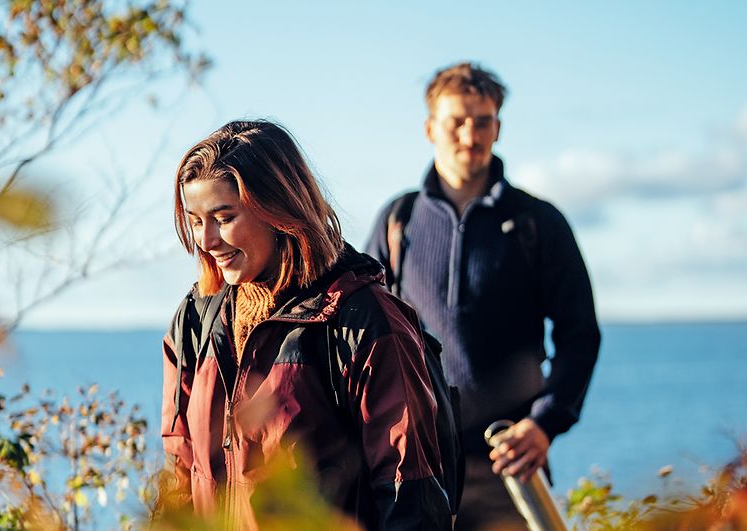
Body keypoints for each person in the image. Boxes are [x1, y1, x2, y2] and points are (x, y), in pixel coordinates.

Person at [161, 120, 452, 530]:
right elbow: (181, 467)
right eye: (194, 221)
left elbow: (411, 497)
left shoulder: (365, 321)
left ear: (278, 211)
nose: (206, 240)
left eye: (224, 217)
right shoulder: (196, 318)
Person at [364, 62, 601, 530]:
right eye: (457, 121)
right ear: (431, 128)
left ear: (499, 127)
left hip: (508, 465)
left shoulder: (537, 222)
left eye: (483, 121)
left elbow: (580, 334)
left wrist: (544, 424)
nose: (470, 135)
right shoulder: (398, 220)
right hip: (415, 465)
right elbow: (361, 332)